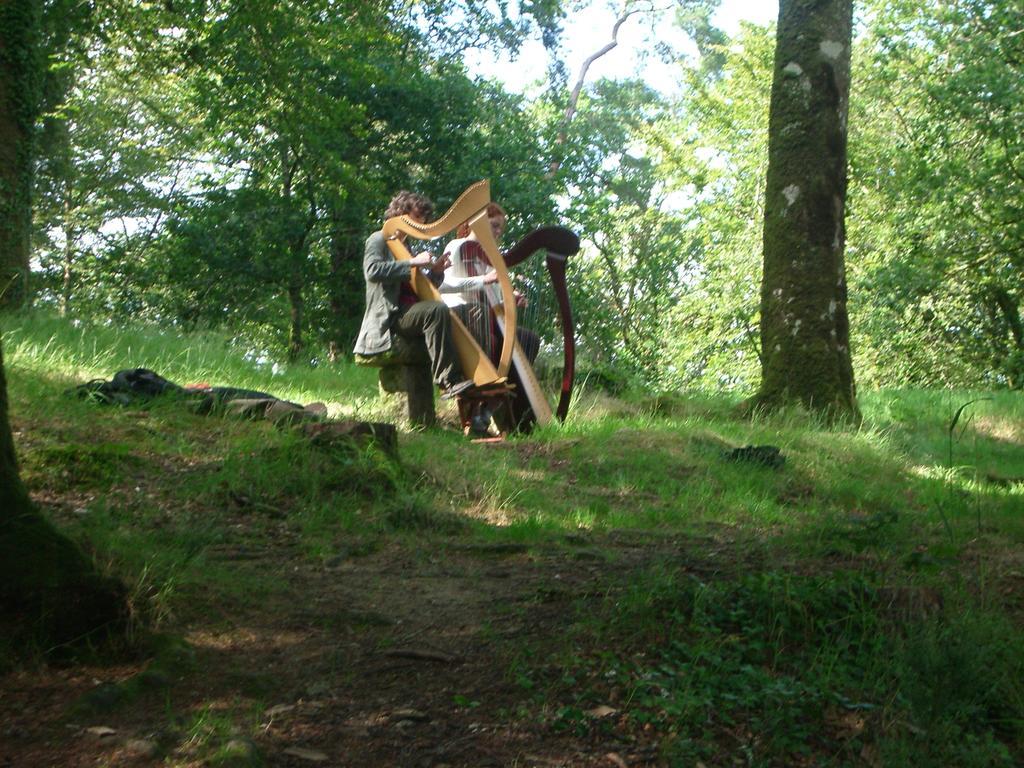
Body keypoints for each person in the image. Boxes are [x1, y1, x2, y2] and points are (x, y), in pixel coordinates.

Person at [354, 191, 474, 400]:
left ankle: (477, 378)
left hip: (412, 311)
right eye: (417, 218)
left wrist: (436, 272)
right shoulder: (378, 239)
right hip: (392, 316)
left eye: (423, 220)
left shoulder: (405, 246)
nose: (421, 224)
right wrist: (412, 262)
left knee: (470, 311)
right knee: (436, 310)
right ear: (401, 214)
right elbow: (372, 271)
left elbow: (419, 289)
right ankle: (448, 381)